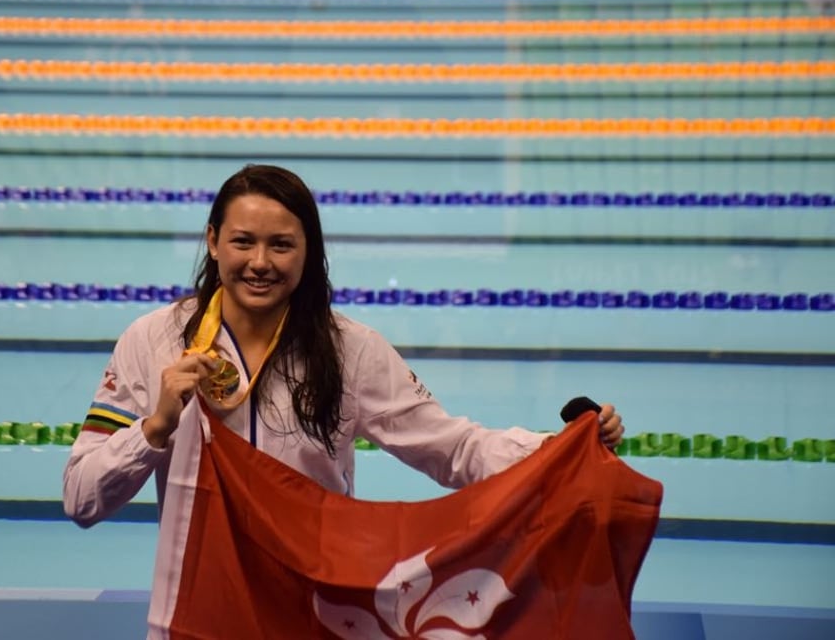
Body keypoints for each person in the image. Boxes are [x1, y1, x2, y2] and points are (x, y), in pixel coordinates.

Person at [62, 164, 624, 529]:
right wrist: (154, 429)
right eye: (242, 242)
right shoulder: (151, 340)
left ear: (308, 253)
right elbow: (81, 499)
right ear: (213, 242)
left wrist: (561, 448)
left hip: (315, 602)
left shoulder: (351, 349)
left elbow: (452, 448)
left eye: (282, 245)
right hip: (197, 602)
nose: (260, 263)